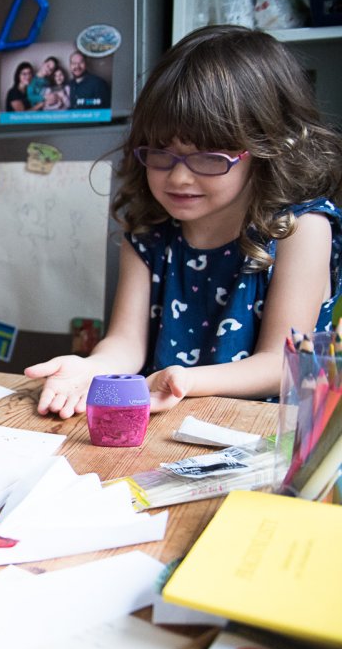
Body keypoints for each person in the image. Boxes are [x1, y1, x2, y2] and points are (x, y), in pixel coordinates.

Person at [26, 25, 342, 417]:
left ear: (267, 150)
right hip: (168, 425)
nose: (178, 177)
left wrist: (188, 381)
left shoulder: (301, 228)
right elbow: (126, 343)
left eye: (209, 156)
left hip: (264, 433)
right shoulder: (148, 230)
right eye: (161, 152)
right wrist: (92, 368)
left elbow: (280, 364)